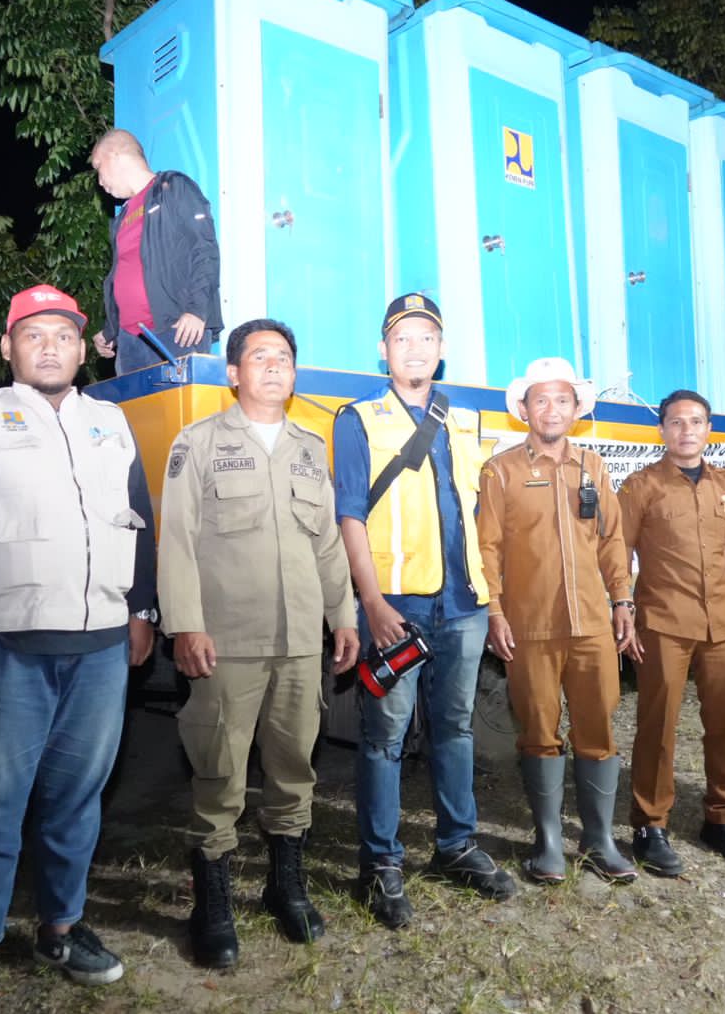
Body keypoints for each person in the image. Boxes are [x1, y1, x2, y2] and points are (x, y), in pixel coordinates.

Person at [0, 284, 157, 1014]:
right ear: (8, 348)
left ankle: (60, 927)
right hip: (5, 649)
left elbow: (138, 516)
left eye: (62, 334)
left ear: (83, 349)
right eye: (33, 334)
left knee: (77, 800)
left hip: (101, 648)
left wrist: (143, 607)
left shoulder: (111, 422)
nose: (49, 346)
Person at [158, 318, 359, 968]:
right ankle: (211, 904)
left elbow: (327, 541)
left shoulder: (309, 448)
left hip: (301, 640)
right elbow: (178, 541)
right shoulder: (199, 444)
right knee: (217, 772)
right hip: (226, 644)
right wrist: (185, 625)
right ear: (234, 372)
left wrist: (345, 616)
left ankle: (286, 886)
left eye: (283, 358)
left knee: (294, 767)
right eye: (259, 357)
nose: (273, 367)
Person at [332, 293, 516, 928]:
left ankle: (455, 845)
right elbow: (349, 515)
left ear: (441, 349)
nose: (415, 347)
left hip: (463, 604)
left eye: (426, 337)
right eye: (402, 337)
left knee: (456, 729)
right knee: (384, 736)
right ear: (383, 350)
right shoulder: (358, 419)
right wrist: (372, 602)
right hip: (397, 608)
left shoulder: (462, 421)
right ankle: (380, 862)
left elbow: (480, 517)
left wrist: (492, 602)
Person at [476, 357, 638, 885]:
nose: (551, 409)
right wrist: (496, 611)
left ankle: (599, 839)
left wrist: (622, 602)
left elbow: (613, 541)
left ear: (576, 409)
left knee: (598, 728)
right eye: (540, 399)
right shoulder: (499, 471)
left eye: (562, 399)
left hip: (593, 625)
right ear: (523, 409)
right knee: (540, 733)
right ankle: (547, 842)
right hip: (530, 628)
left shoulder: (594, 467)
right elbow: (487, 549)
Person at [617, 390, 725, 875]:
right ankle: (650, 823)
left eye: (696, 421)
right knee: (657, 725)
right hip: (664, 623)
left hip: (722, 623)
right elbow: (619, 555)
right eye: (676, 422)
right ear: (662, 430)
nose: (686, 431)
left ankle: (722, 817)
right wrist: (625, 611)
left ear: (708, 428)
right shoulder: (641, 486)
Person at [89, 128, 222, 374]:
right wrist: (111, 330)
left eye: (99, 168)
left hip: (175, 331)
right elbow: (126, 274)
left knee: (179, 412)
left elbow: (205, 248)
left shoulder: (173, 187)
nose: (100, 181)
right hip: (130, 341)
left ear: (116, 155)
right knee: (134, 413)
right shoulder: (123, 216)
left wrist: (196, 310)